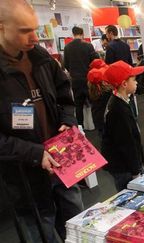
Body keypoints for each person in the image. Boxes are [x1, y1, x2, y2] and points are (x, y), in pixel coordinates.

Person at [0, 1, 84, 242]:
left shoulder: (41, 57)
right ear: (1, 27)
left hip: (63, 160)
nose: (35, 37)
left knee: (79, 224)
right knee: (42, 231)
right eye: (24, 30)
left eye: (36, 28)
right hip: (26, 175)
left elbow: (64, 93)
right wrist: (34, 153)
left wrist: (68, 119)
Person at [99, 61, 144, 191]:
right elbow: (126, 143)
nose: (136, 82)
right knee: (130, 194)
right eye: (134, 79)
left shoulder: (121, 101)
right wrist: (135, 170)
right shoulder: (118, 110)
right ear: (124, 84)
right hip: (124, 166)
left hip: (128, 162)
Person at [63, 26, 98, 126]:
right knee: (93, 103)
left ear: (73, 34)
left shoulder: (67, 47)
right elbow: (95, 61)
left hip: (75, 80)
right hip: (88, 79)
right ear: (82, 33)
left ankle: (80, 128)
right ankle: (96, 125)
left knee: (78, 106)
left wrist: (73, 72)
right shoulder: (88, 46)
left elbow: (65, 64)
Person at [87, 59, 111, 138]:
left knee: (103, 138)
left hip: (97, 120)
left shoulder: (92, 91)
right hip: (107, 120)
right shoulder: (107, 92)